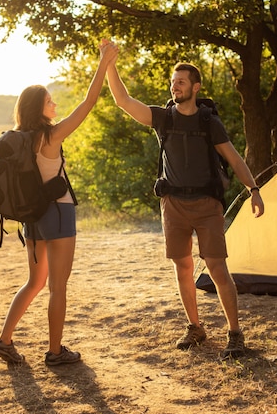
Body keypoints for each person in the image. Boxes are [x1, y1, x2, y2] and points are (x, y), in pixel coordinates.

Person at [106, 48, 265, 358]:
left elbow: (232, 157)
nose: (175, 86)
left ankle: (235, 334)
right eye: (173, 82)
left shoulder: (209, 122)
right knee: (183, 266)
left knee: (217, 267)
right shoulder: (163, 118)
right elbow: (123, 101)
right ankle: (195, 327)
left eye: (181, 82)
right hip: (173, 204)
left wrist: (253, 189)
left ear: (196, 87)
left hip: (207, 204)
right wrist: (109, 64)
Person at [0, 40, 118, 366]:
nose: (55, 104)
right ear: (39, 107)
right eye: (50, 101)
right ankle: (55, 351)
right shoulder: (51, 136)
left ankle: (4, 340)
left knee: (35, 282)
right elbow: (89, 103)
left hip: (32, 214)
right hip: (58, 213)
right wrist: (103, 62)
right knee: (57, 287)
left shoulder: (19, 139)